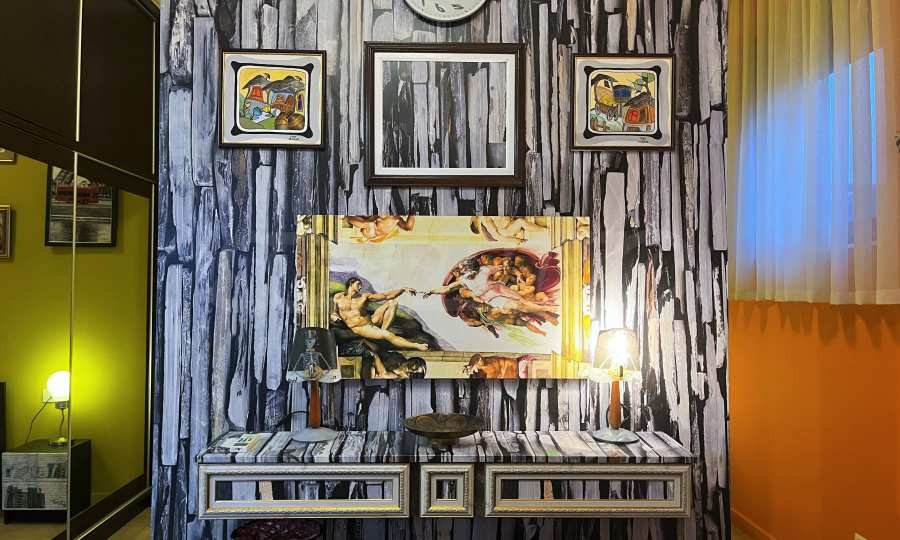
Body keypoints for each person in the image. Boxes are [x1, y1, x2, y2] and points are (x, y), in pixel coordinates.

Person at [331, 277, 428, 351]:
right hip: (360, 328)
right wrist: (334, 316)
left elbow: (386, 296)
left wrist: (402, 290)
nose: (360, 287)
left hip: (371, 321)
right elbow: (334, 312)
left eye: (361, 285)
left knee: (392, 303)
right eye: (358, 284)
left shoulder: (364, 297)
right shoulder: (338, 297)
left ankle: (383, 331)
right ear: (351, 284)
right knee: (388, 335)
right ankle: (416, 345)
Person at [344, 214, 415, 243]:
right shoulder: (395, 219)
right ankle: (347, 218)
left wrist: (412, 212)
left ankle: (347, 218)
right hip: (370, 225)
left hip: (371, 231)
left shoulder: (397, 220)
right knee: (369, 223)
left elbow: (409, 227)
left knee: (369, 224)